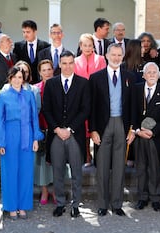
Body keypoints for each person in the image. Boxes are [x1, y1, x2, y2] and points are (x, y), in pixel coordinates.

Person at [89, 44, 136, 217]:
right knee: (102, 166)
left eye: (119, 55)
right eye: (113, 54)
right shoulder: (96, 78)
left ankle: (117, 204)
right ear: (106, 56)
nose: (116, 58)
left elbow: (133, 105)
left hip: (122, 125)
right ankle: (102, 204)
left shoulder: (129, 77)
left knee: (119, 166)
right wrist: (93, 129)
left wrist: (133, 129)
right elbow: (91, 106)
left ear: (122, 57)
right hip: (103, 126)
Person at [43, 51, 90, 218]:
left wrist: (69, 129)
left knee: (77, 171)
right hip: (56, 135)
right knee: (57, 171)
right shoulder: (51, 84)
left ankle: (76, 204)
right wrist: (57, 129)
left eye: (71, 63)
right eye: (64, 63)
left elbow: (85, 110)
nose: (68, 66)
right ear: (60, 64)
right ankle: (60, 203)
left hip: (74, 135)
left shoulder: (83, 83)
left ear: (74, 64)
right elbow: (46, 109)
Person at [0, 67, 43, 220]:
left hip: (27, 136)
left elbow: (34, 118)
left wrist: (35, 139)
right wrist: (0, 142)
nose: (17, 80)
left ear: (23, 79)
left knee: (25, 172)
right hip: (10, 135)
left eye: (20, 77)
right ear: (10, 78)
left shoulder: (29, 95)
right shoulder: (4, 96)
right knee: (10, 171)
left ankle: (22, 206)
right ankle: (11, 206)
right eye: (14, 77)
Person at [132, 62, 160, 212]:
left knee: (155, 168)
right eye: (149, 72)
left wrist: (153, 132)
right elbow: (132, 112)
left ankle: (155, 198)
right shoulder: (136, 90)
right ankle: (142, 197)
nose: (152, 75)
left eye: (154, 72)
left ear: (159, 74)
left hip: (156, 137)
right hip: (139, 135)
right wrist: (137, 130)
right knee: (141, 167)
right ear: (143, 75)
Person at [74, 33, 107, 167]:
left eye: (90, 45)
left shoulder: (101, 59)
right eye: (85, 45)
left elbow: (104, 79)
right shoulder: (75, 61)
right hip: (81, 99)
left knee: (97, 127)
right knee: (84, 128)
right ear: (80, 46)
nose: (88, 48)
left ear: (94, 46)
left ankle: (100, 158)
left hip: (97, 99)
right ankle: (87, 155)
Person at [34, 60, 55, 205]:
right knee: (41, 163)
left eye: (49, 69)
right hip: (40, 129)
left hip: (55, 129)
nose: (47, 72)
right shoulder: (35, 89)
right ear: (40, 73)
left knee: (55, 161)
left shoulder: (58, 85)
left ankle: (55, 191)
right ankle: (44, 191)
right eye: (44, 70)